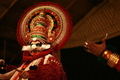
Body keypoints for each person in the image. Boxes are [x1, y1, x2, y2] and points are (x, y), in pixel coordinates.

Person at [0, 2, 72, 80]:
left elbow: (52, 74)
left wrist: (31, 74)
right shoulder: (26, 63)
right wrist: (5, 67)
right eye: (31, 44)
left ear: (44, 45)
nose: (33, 47)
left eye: (37, 44)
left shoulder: (48, 58)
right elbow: (15, 72)